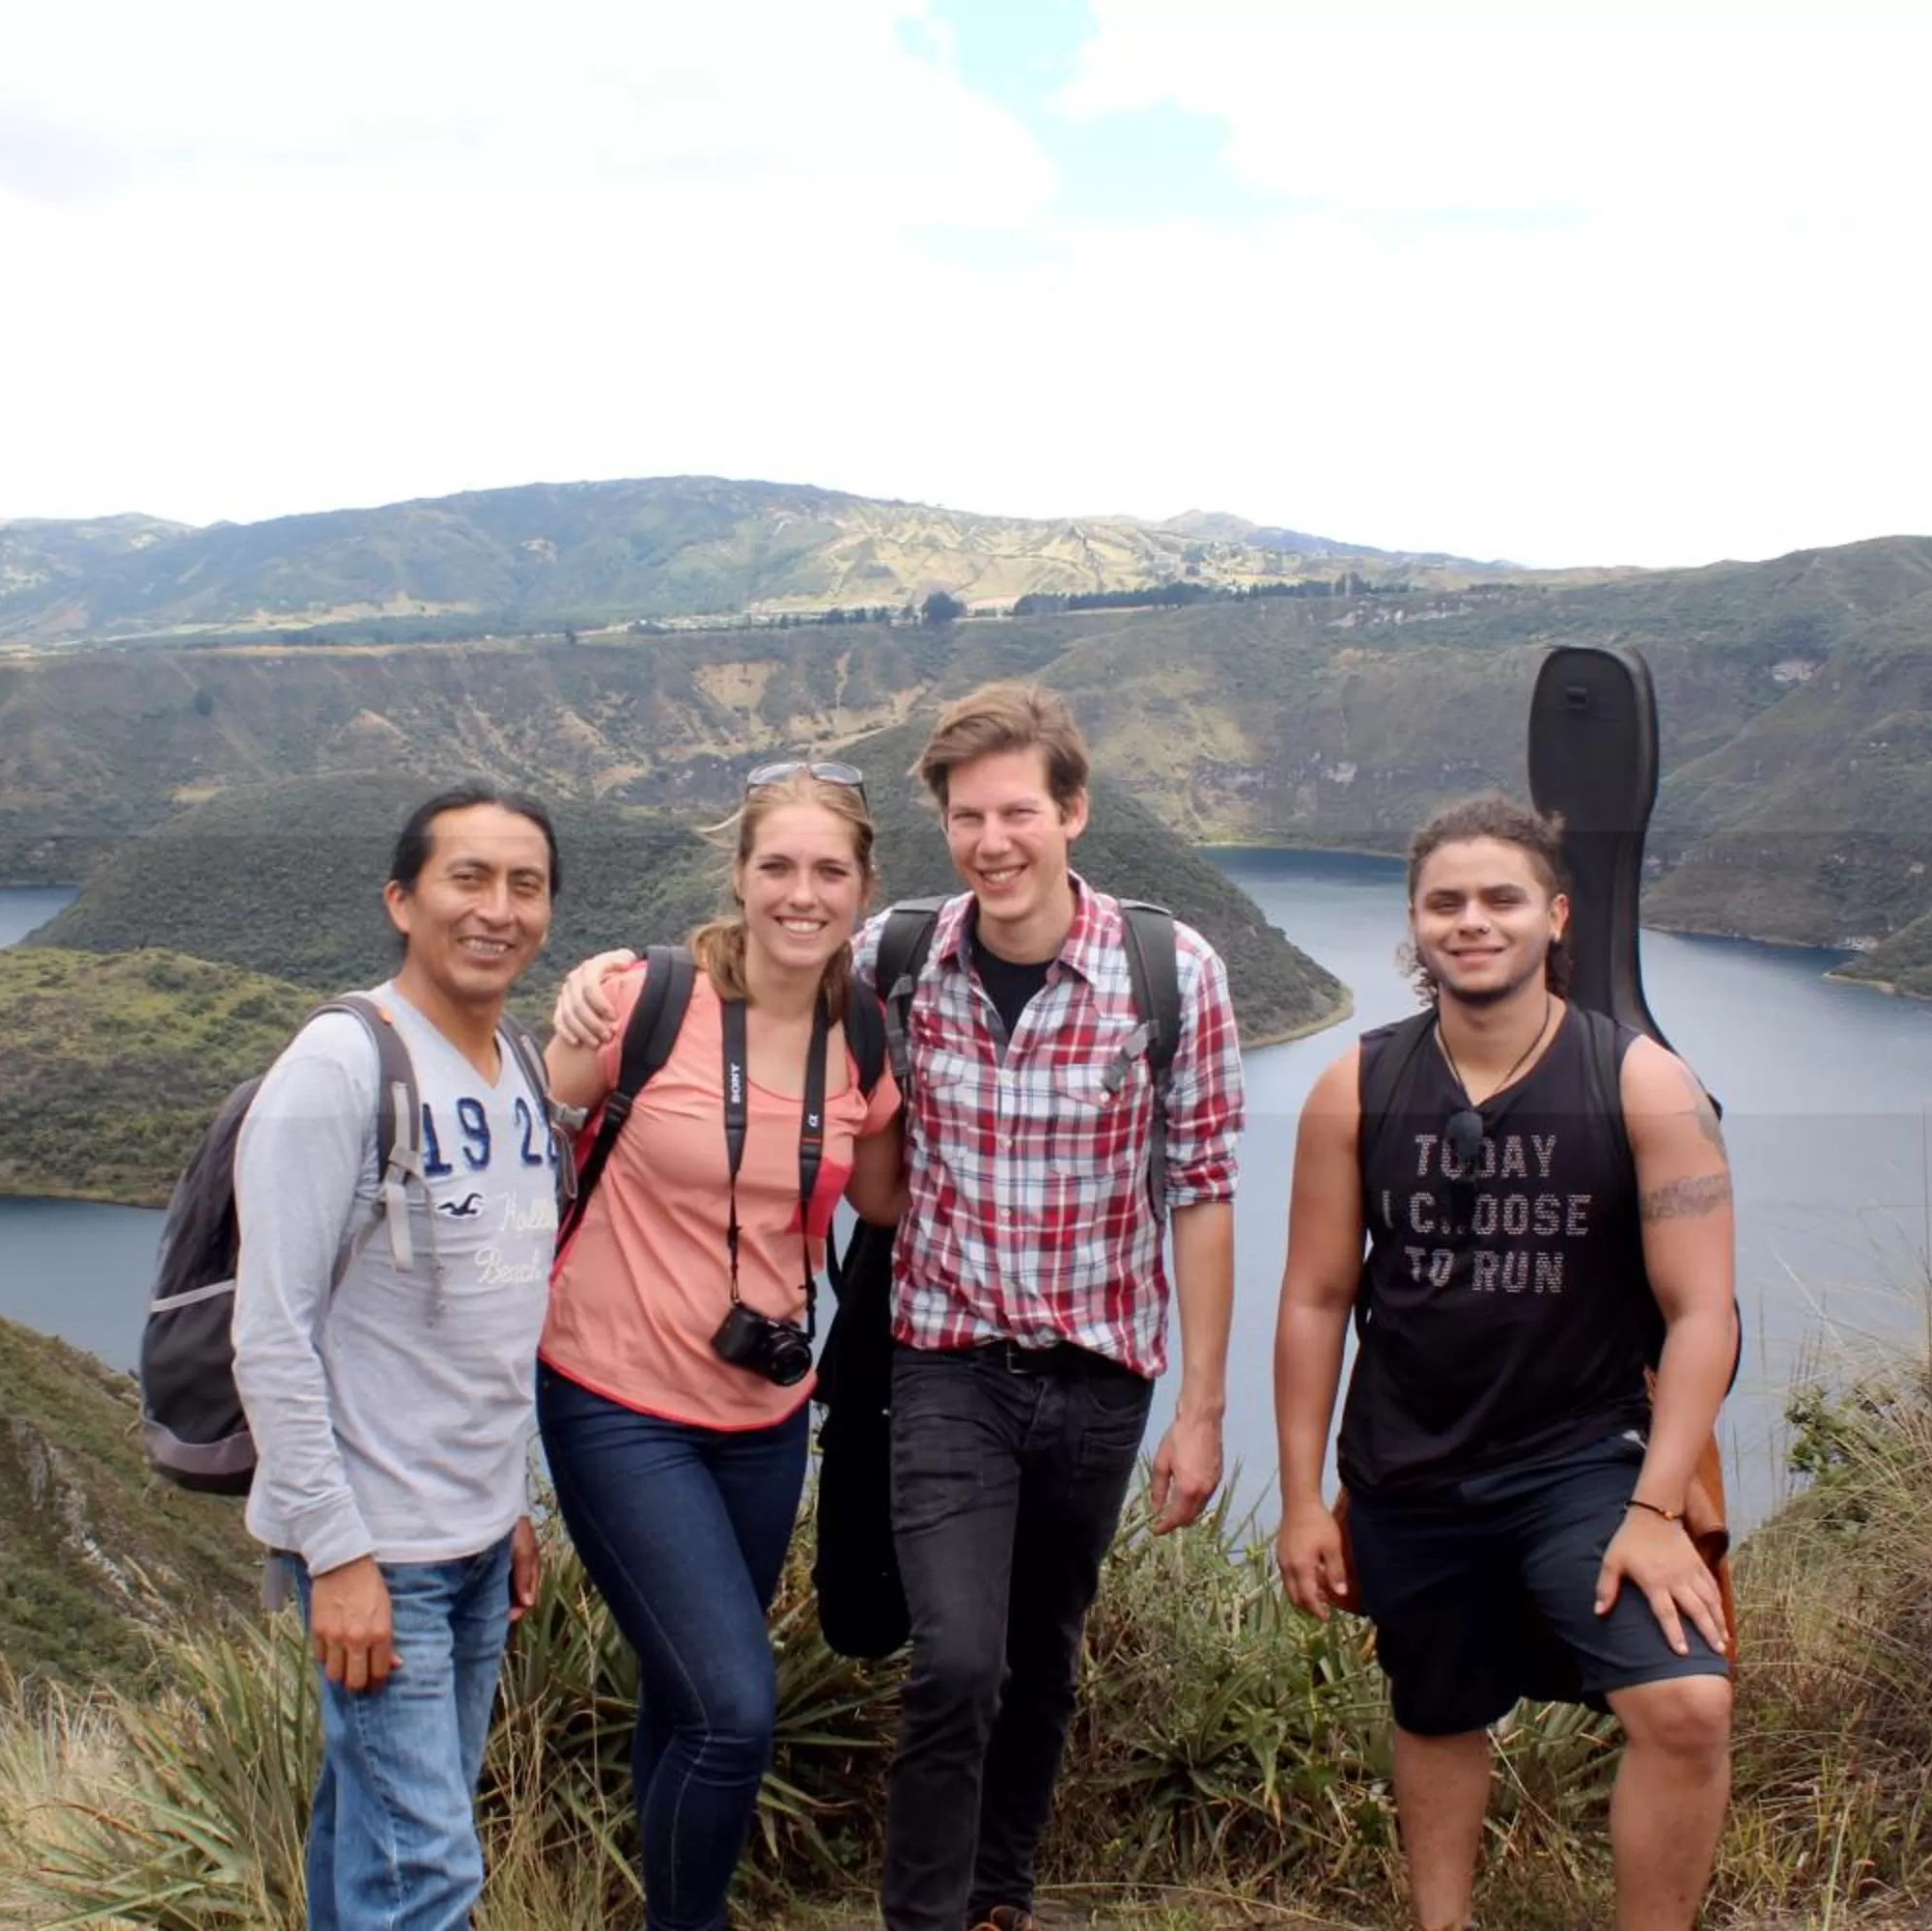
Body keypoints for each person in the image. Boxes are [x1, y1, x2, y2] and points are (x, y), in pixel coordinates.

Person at [563, 685, 1248, 1931]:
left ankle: (1001, 1894)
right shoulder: (895, 957)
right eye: (968, 815)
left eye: (1019, 812)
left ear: (1074, 812)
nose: (994, 840)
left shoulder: (1170, 975)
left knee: (1040, 1650)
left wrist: (1203, 1405)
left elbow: (1201, 1189)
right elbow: (765, 960)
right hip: (945, 1367)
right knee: (957, 1663)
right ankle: (920, 1916)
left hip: (1102, 1375)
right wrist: (603, 977)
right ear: (941, 824)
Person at [1271, 794, 1739, 1931]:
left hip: (1580, 1459)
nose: (1471, 921)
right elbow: (1317, 1295)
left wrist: (1656, 1505)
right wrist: (1299, 1499)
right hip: (1409, 1469)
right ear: (1415, 921)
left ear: (1553, 914)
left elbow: (1701, 1313)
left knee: (1683, 1705)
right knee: (1437, 1706)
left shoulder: (1640, 1083)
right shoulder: (1359, 1085)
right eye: (1446, 901)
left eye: (1500, 898)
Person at [539, 763, 906, 1931]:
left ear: (864, 888)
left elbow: (888, 1201)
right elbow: (534, 1122)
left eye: (828, 872)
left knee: (685, 1695)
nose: (802, 893)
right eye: (777, 867)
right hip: (615, 1396)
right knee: (736, 1708)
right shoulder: (647, 998)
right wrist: (570, 999)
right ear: (739, 876)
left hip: (763, 1412)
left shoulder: (863, 1029)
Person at [232, 782, 562, 1931]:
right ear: (402, 899)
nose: (497, 909)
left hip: (473, 1539)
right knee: (433, 1875)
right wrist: (335, 1552)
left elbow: (489, 1317)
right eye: (467, 878)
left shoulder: (517, 1059)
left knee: (368, 1838)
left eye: (524, 884)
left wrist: (511, 1499)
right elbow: (268, 1332)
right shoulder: (339, 1066)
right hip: (381, 1552)